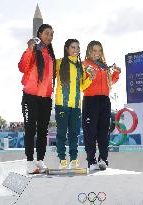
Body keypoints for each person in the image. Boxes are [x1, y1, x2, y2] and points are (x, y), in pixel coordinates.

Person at [18, 24, 56, 174]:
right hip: (30, 97)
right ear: (39, 34)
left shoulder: (50, 53)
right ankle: (29, 161)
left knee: (42, 131)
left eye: (52, 34)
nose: (49, 36)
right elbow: (22, 67)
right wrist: (29, 50)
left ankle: (40, 159)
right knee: (30, 129)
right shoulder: (33, 49)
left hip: (46, 98)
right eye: (47, 33)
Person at [82, 40, 121, 170]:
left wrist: (116, 73)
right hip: (90, 100)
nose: (96, 53)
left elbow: (110, 82)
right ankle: (91, 161)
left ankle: (103, 159)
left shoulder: (104, 66)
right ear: (89, 51)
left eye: (99, 50)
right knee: (90, 132)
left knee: (104, 132)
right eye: (94, 50)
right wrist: (89, 76)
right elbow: (82, 84)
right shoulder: (84, 64)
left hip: (105, 100)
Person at [55, 39, 92, 169]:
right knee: (61, 134)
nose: (75, 50)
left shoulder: (80, 66)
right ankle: (62, 160)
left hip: (76, 106)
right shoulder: (59, 63)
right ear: (67, 48)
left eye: (77, 47)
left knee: (74, 134)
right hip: (61, 104)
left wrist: (90, 79)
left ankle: (74, 160)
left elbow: (82, 87)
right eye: (72, 47)